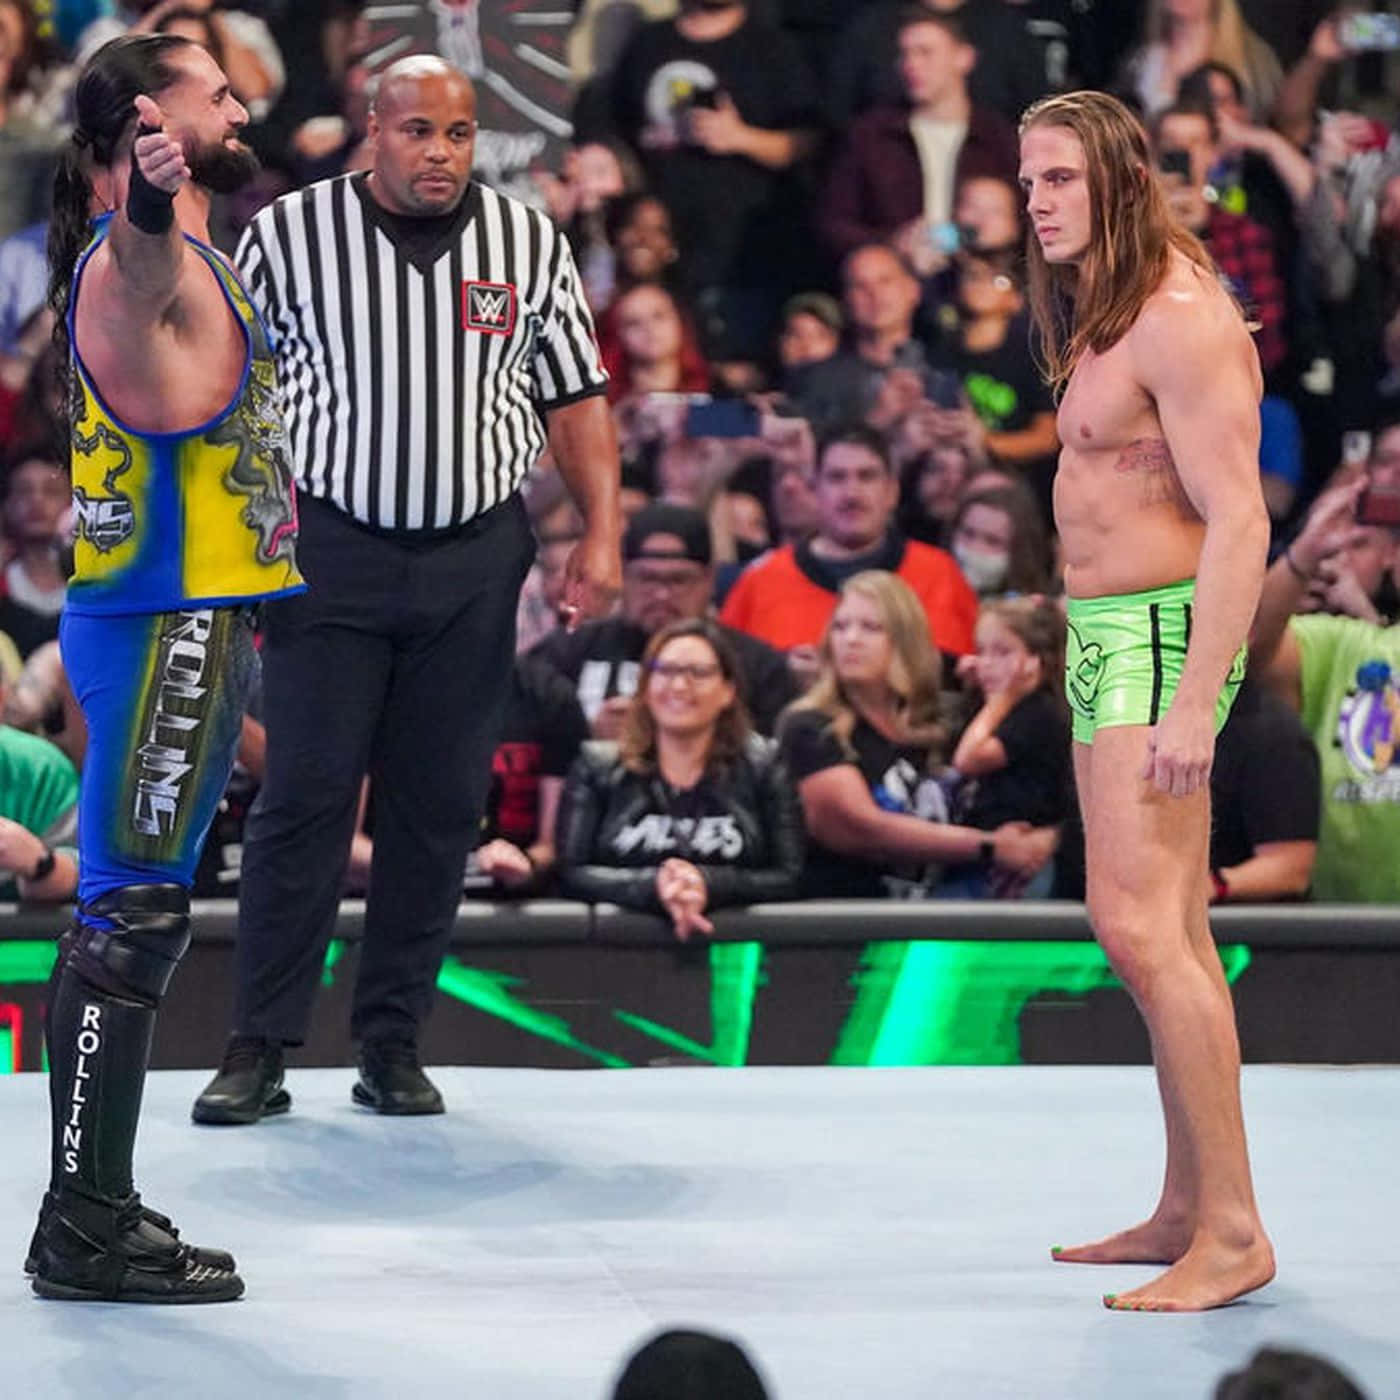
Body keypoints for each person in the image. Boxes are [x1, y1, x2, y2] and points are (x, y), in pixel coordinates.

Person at [191, 55, 620, 1126]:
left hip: (474, 554)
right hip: (328, 546)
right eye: (418, 130)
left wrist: (602, 533)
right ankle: (258, 1043)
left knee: (438, 804)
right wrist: (234, 538)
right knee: (304, 795)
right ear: (372, 131)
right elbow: (231, 390)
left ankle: (391, 1043)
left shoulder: (527, 239)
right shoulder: (287, 233)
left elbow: (575, 397)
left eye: (458, 133)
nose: (440, 152)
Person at [34, 33, 305, 1302]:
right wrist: (149, 195)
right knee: (128, 919)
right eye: (218, 91)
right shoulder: (132, 257)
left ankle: (91, 1203)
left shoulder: (193, 256)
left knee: (130, 914)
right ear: (149, 118)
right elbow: (139, 252)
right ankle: (84, 1224)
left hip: (183, 619)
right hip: (166, 623)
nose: (243, 105)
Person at [1020, 90, 1274, 1309]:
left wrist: (1190, 702)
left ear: (1119, 178)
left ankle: (1230, 1228)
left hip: (1159, 637)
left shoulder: (1178, 317)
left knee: (1137, 925)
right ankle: (1186, 1205)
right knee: (1161, 924)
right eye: (1028, 180)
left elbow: (1241, 519)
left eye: (1059, 178)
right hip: (1107, 632)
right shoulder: (1110, 305)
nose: (1036, 202)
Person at [778, 570, 1054, 898]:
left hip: (942, 915)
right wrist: (990, 846)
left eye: (871, 628)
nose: (850, 639)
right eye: (840, 626)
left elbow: (1049, 785)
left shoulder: (940, 721)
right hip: (844, 915)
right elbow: (858, 827)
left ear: (905, 639)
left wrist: (1049, 838)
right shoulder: (810, 726)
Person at [557, 618, 803, 939]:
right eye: (665, 671)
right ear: (645, 687)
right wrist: (654, 885)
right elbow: (572, 872)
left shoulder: (765, 767)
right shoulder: (596, 766)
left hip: (736, 948)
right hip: (620, 949)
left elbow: (790, 875)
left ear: (728, 691)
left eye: (698, 673)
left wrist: (708, 883)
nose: (679, 686)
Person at [720, 423, 979, 677]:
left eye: (867, 477)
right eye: (837, 478)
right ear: (815, 490)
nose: (852, 494)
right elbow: (726, 679)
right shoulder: (762, 581)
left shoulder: (940, 576)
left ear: (892, 492)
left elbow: (964, 683)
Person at [1249, 475, 1400, 903]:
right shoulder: (1346, 645)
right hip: (1336, 926)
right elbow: (1245, 646)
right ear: (1393, 557)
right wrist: (1305, 552)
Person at [533, 502, 795, 737]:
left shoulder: (755, 667)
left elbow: (773, 758)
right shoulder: (565, 654)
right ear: (623, 577)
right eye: (647, 578)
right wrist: (586, 733)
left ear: (709, 580)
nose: (661, 594)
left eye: (678, 580)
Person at [819, 8, 1019, 268]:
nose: (911, 64)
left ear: (964, 57)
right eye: (905, 54)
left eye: (925, 52)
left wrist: (999, 233)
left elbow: (1030, 217)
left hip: (984, 275)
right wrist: (894, 242)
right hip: (898, 277)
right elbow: (834, 223)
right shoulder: (871, 135)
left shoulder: (997, 139)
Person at [944, 594, 1071, 895]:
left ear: (1037, 661)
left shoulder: (1038, 712)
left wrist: (1003, 698)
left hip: (1023, 859)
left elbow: (969, 758)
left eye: (1002, 652)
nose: (986, 664)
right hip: (986, 854)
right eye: (981, 651)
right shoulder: (993, 709)